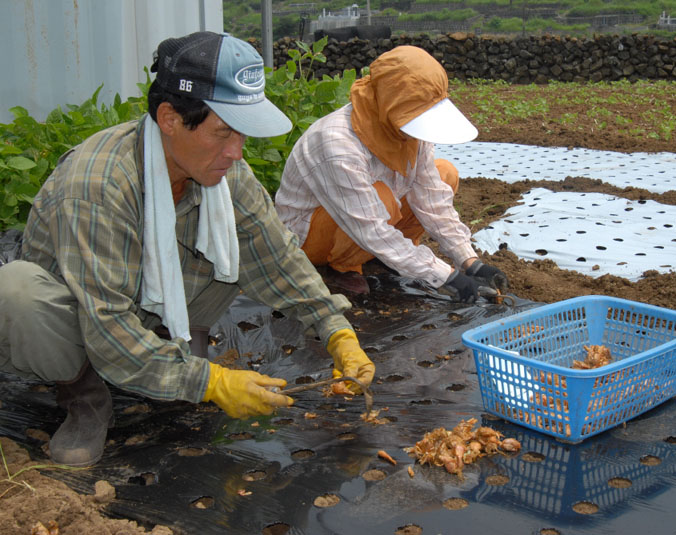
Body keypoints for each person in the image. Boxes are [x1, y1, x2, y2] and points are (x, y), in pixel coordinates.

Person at [0, 32, 374, 467]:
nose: (236, 152)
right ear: (169, 118)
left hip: (143, 304)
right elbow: (107, 324)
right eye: (223, 133)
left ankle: (168, 350)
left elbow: (277, 256)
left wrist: (335, 330)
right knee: (18, 293)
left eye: (242, 135)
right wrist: (212, 383)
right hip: (83, 318)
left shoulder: (222, 168)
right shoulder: (97, 186)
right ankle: (85, 396)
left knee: (237, 248)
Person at [275, 45, 509, 301]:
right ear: (390, 103)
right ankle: (340, 269)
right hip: (311, 240)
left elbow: (433, 201)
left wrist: (469, 262)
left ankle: (393, 258)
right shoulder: (336, 143)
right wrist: (446, 277)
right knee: (383, 200)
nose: (417, 130)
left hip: (370, 221)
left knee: (444, 173)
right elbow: (371, 227)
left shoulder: (406, 131)